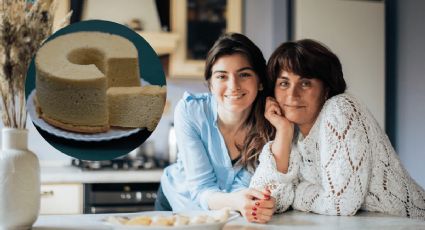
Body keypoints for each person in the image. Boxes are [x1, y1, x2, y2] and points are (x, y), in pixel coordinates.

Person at [250, 39, 425, 219]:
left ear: (326, 89)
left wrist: (296, 192)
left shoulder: (340, 109)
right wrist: (284, 133)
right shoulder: (290, 133)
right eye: (284, 83)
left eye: (305, 83)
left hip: (412, 222)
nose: (292, 95)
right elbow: (264, 198)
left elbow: (342, 204)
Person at [156, 33, 276, 223]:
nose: (233, 85)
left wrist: (242, 201)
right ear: (210, 84)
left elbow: (247, 188)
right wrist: (237, 201)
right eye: (222, 76)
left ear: (260, 82)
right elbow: (201, 188)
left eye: (244, 74)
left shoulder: (271, 123)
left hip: (230, 213)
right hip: (178, 203)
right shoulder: (190, 111)